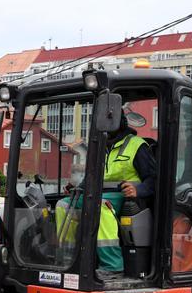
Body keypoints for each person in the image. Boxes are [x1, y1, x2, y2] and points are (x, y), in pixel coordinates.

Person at [55, 110, 157, 273]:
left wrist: (137, 189)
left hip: (123, 196)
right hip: (97, 194)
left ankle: (112, 265)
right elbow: (90, 177)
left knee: (101, 206)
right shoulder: (99, 148)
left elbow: (153, 179)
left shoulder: (137, 145)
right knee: (63, 206)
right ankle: (69, 258)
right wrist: (77, 190)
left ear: (119, 122)